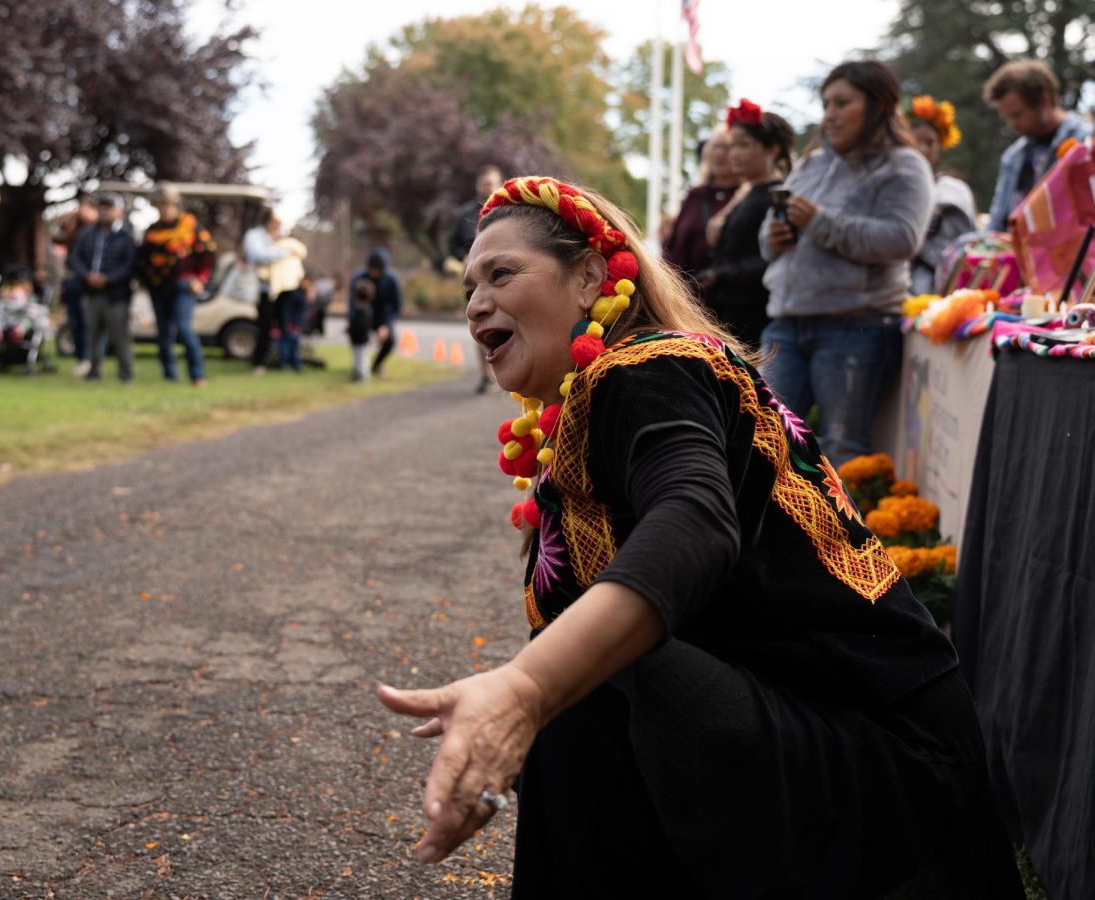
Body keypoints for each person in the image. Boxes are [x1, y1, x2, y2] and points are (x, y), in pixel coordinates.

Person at [377, 175, 1024, 898]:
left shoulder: (651, 367)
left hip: (887, 769)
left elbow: (695, 519)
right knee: (587, 674)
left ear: (591, 276)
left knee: (586, 687)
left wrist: (525, 693)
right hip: (812, 734)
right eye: (469, 287)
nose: (475, 305)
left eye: (502, 273)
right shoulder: (606, 394)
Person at [759, 61, 933, 466]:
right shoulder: (813, 163)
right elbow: (771, 228)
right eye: (825, 104)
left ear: (878, 105)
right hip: (786, 323)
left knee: (842, 454)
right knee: (765, 444)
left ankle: (839, 533)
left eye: (842, 103)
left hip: (855, 328)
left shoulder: (904, 166)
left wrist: (819, 223)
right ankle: (780, 531)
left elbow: (902, 239)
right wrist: (773, 237)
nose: (830, 115)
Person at [696, 100, 793, 350]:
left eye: (744, 145)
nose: (734, 154)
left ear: (772, 149)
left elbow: (774, 258)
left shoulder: (780, 197)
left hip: (756, 320)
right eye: (732, 146)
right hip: (730, 316)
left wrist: (722, 275)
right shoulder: (748, 194)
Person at [984, 60, 1093, 233]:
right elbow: (998, 220)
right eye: (1007, 118)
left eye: (1017, 115)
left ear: (1044, 101)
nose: (1012, 124)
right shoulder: (1013, 157)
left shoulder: (1086, 143)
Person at [136, 183, 215, 387]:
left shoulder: (191, 226)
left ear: (175, 204)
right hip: (159, 288)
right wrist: (146, 283)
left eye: (167, 204)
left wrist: (201, 279)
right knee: (163, 332)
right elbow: (142, 261)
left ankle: (197, 374)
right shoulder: (152, 231)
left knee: (183, 327)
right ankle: (170, 375)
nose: (164, 209)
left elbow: (207, 256)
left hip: (184, 286)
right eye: (159, 205)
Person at [907, 95, 978, 295]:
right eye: (915, 142)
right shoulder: (891, 191)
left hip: (952, 291)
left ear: (939, 147)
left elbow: (970, 243)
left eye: (929, 142)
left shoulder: (956, 191)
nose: (922, 149)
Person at [67, 195, 137, 383]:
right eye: (102, 208)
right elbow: (74, 258)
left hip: (116, 295)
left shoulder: (126, 236)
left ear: (118, 211)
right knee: (92, 335)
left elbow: (129, 265)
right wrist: (87, 276)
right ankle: (93, 371)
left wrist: (108, 279)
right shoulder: (87, 234)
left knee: (120, 336)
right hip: (90, 292)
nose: (105, 212)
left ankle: (125, 373)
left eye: (109, 208)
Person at [449, 164, 505, 393]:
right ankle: (485, 374)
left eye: (490, 183)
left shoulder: (509, 210)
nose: (486, 187)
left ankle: (513, 370)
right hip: (474, 280)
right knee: (480, 324)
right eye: (483, 183)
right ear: (477, 186)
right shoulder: (465, 214)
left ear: (499, 184)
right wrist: (462, 256)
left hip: (503, 277)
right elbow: (450, 243)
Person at [661, 125, 740, 289]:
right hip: (688, 294)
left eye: (727, 147)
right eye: (716, 146)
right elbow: (674, 248)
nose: (719, 153)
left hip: (729, 296)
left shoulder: (744, 198)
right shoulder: (696, 195)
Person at [242, 208, 294, 375]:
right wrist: (283, 251)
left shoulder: (279, 237)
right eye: (276, 221)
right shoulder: (255, 236)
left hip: (283, 288)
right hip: (264, 289)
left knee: (286, 325)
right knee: (264, 327)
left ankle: (284, 361)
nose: (279, 225)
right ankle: (258, 362)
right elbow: (258, 256)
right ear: (269, 221)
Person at [52, 196, 99, 376]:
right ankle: (82, 358)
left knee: (91, 322)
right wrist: (67, 219)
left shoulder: (98, 230)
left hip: (90, 283)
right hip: (73, 280)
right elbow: (56, 238)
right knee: (75, 322)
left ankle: (92, 359)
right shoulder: (74, 227)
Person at [349, 250, 401, 378]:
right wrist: (354, 321)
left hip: (382, 317)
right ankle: (359, 367)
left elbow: (395, 306)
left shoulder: (391, 280)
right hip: (362, 315)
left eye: (377, 270)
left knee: (390, 341)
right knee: (358, 339)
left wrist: (386, 325)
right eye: (372, 269)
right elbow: (352, 303)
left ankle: (376, 365)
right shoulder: (358, 277)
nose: (374, 273)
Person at [347, 277, 375, 383]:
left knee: (362, 357)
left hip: (361, 339)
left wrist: (352, 329)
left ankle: (363, 376)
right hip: (357, 339)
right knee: (357, 357)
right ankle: (358, 374)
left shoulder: (364, 311)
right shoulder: (361, 309)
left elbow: (361, 326)